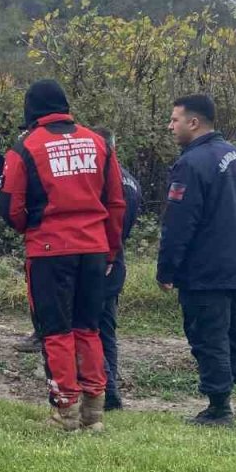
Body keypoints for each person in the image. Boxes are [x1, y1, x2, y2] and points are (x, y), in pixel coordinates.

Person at [0, 79, 126, 432]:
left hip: (49, 250)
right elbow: (116, 201)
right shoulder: (98, 142)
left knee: (55, 331)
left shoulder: (26, 147)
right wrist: (111, 248)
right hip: (95, 249)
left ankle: (64, 411)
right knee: (89, 327)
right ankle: (94, 413)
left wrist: (32, 227)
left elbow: (10, 205)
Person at [157, 94, 236, 426]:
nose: (170, 126)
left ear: (194, 123)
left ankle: (219, 406)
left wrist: (167, 268)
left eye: (174, 119)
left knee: (210, 336)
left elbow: (180, 221)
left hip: (207, 267)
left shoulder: (191, 163)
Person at [93, 127, 141, 411]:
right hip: (118, 259)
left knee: (89, 328)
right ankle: (111, 388)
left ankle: (107, 388)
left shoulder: (100, 180)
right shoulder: (132, 181)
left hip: (98, 260)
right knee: (107, 329)